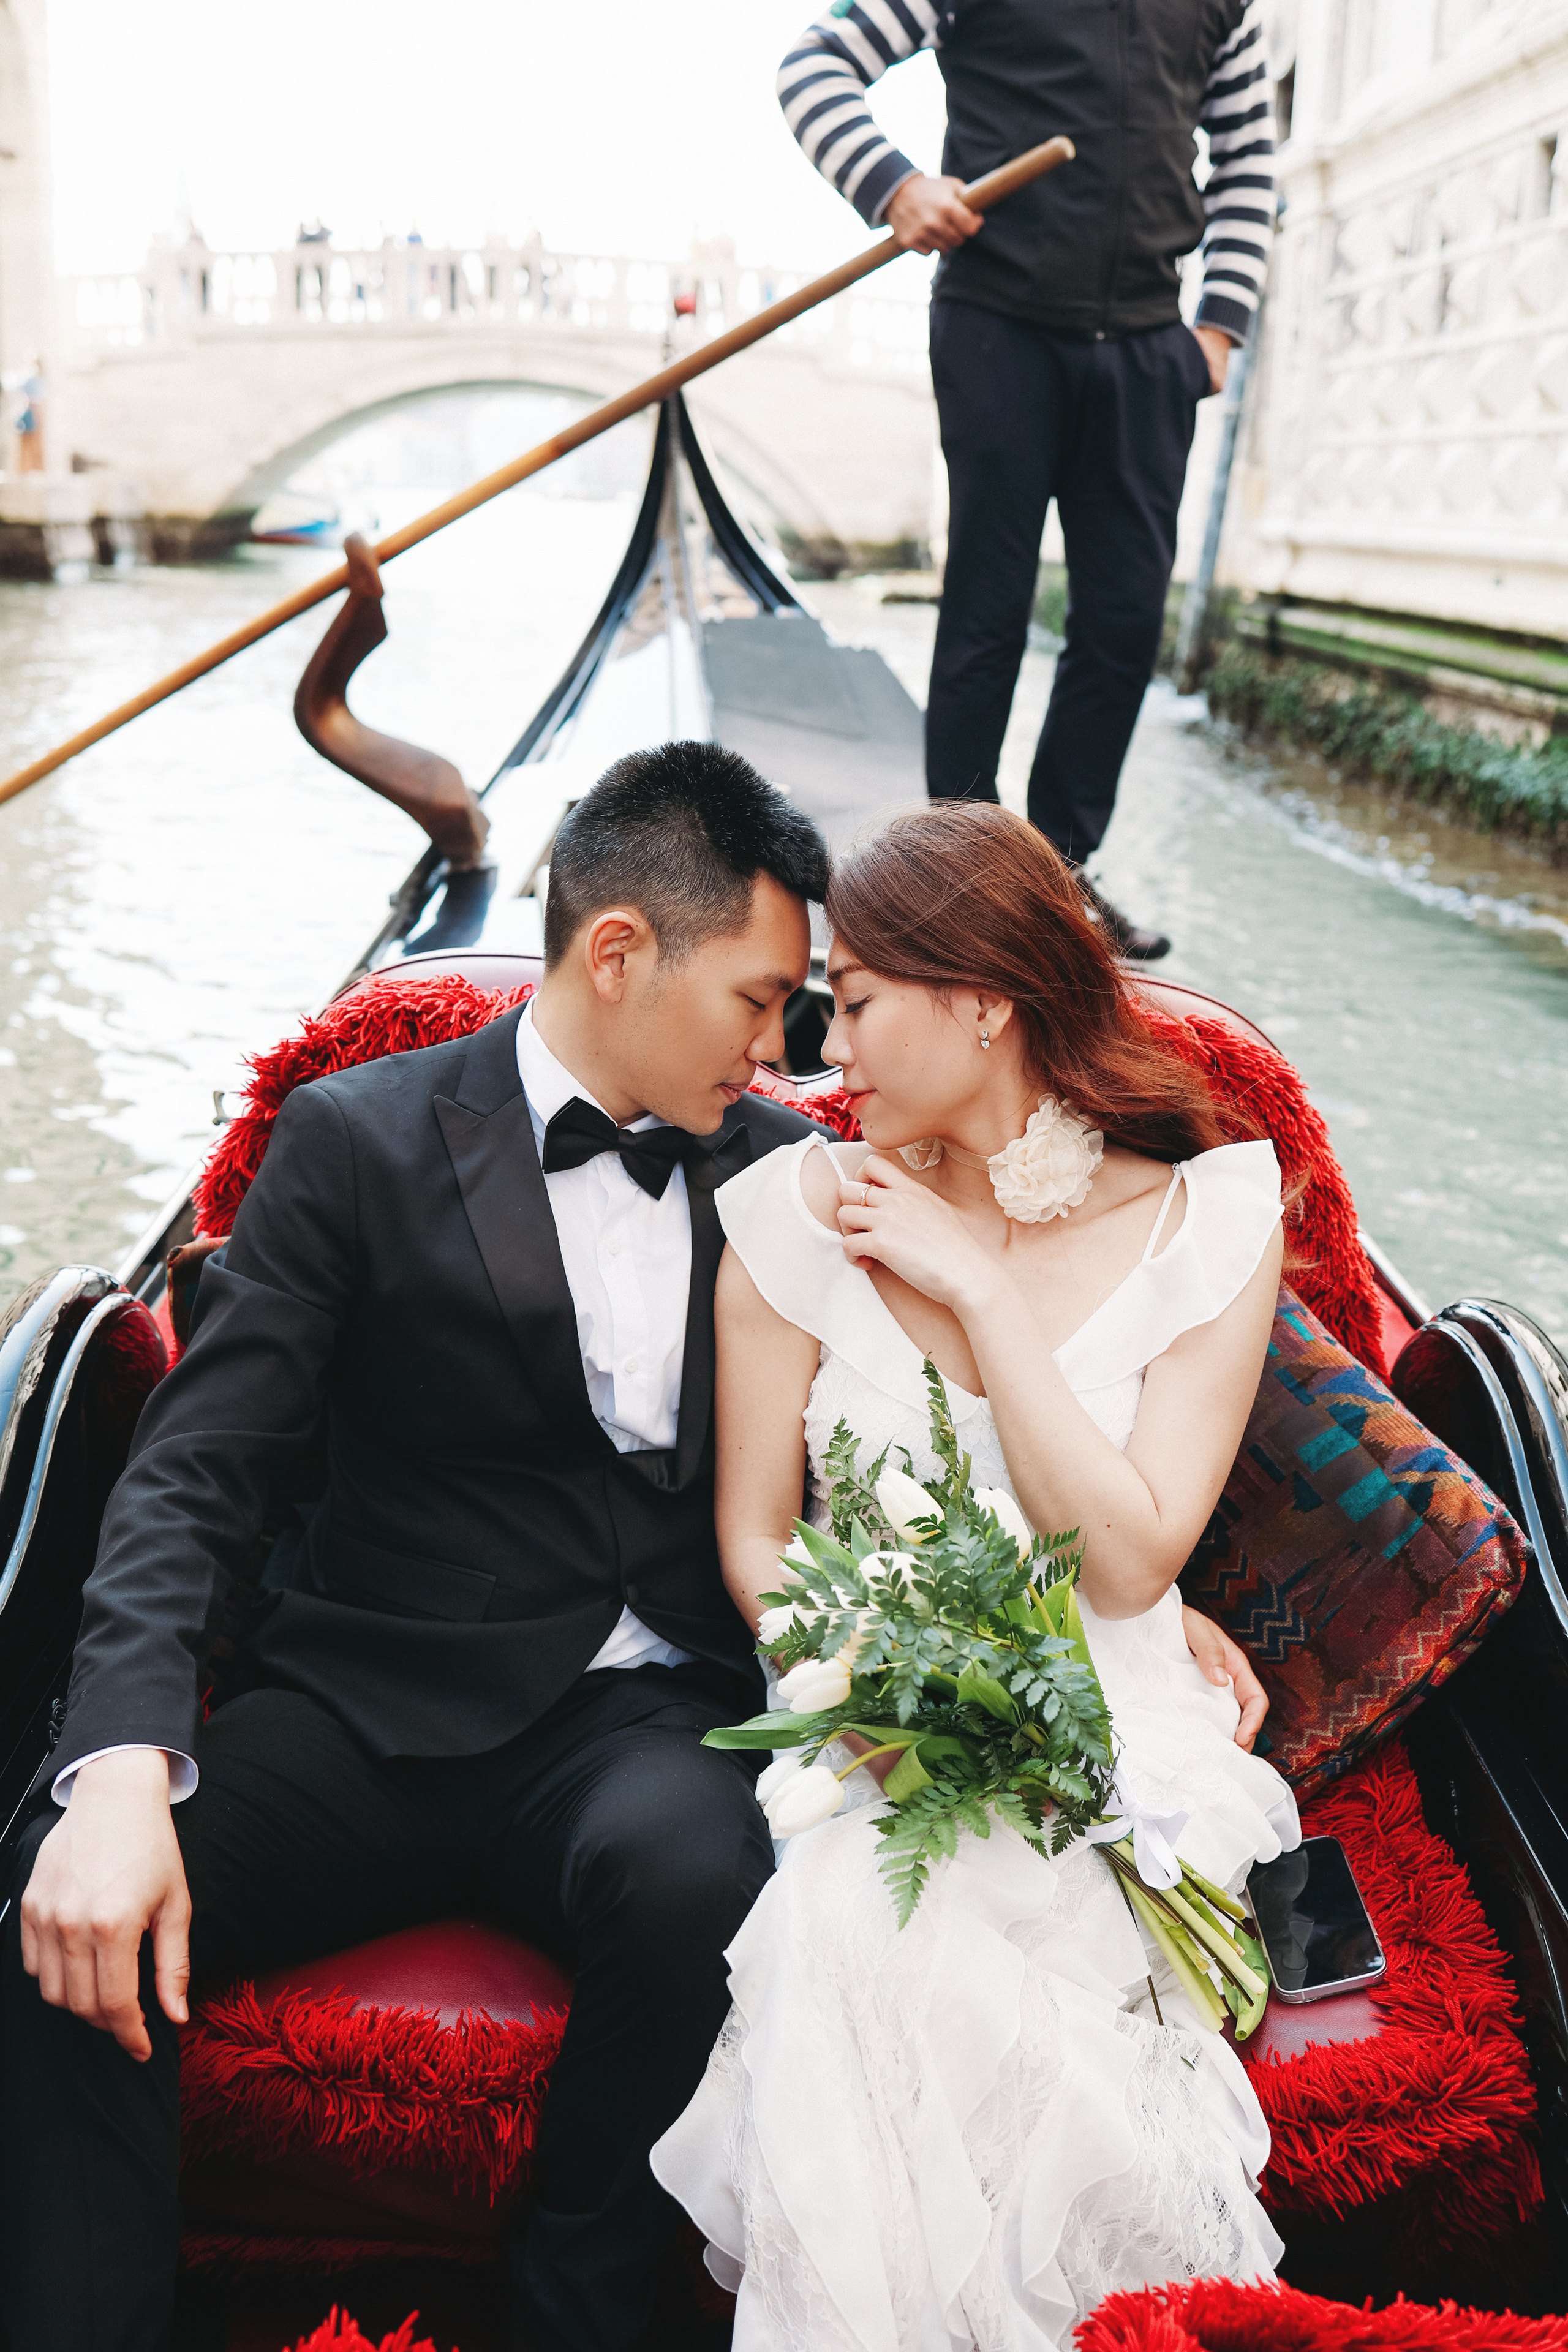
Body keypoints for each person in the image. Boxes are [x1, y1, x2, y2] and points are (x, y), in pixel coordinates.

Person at [0, 742, 832, 2352]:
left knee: (700, 1882)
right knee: (59, 1896)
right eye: (757, 997)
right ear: (617, 953)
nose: (783, 1045)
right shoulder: (354, 1142)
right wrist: (114, 1770)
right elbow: (196, 1477)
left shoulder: (794, 1178)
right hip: (364, 1704)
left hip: (641, 1721)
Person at [652, 802, 1301, 2346]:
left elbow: (1132, 1567)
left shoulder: (1206, 1221)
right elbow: (756, 1538)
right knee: (853, 1913)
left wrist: (975, 1293)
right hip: (861, 1696)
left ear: (983, 1001)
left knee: (891, 1929)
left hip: (1117, 1711)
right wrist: (855, 1676)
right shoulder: (791, 1218)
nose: (825, 1049)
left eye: (858, 1000)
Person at [778, 0, 1278, 961]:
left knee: (1125, 622)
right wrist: (894, 185)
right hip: (998, 323)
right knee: (987, 611)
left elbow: (1251, 153)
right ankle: (959, 878)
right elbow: (815, 64)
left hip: (1145, 343)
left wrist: (1218, 324)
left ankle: (1061, 881)